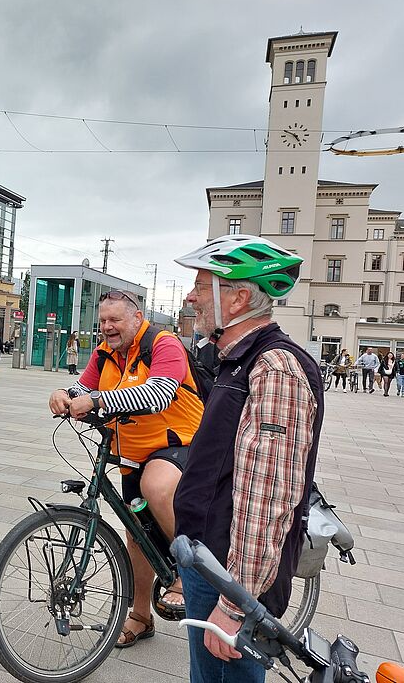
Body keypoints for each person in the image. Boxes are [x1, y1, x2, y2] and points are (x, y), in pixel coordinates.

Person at [173, 234, 322, 683]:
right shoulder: (235, 361)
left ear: (237, 298)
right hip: (210, 563)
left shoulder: (273, 368)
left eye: (202, 285)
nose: (190, 296)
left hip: (228, 580)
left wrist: (235, 604)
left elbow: (268, 497)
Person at [48, 290, 204, 648]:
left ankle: (188, 570)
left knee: (157, 487)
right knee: (137, 535)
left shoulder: (163, 344)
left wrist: (99, 400)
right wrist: (62, 394)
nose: (106, 327)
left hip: (179, 444)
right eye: (102, 321)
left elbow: (158, 393)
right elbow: (82, 386)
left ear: (137, 318)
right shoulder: (105, 354)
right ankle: (140, 615)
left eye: (114, 320)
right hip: (130, 452)